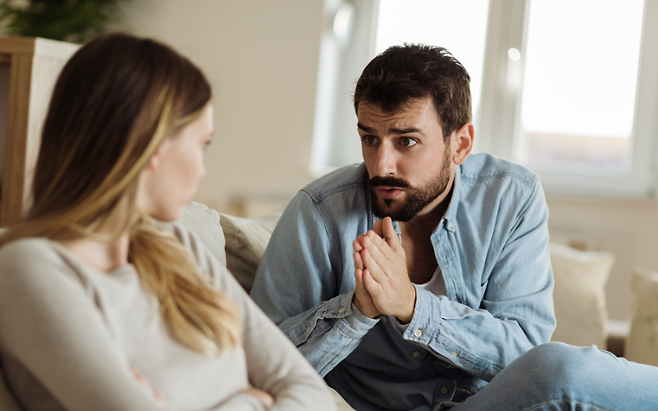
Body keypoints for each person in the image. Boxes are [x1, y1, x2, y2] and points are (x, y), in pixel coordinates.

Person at [250, 44, 658, 410]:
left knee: (562, 369)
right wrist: (356, 312)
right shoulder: (318, 213)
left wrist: (413, 306)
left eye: (406, 141)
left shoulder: (511, 197)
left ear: (460, 144)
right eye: (370, 138)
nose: (381, 164)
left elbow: (524, 354)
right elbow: (259, 364)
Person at [0, 33, 336, 411]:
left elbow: (308, 389)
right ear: (151, 145)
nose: (202, 169)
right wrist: (252, 400)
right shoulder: (30, 268)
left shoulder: (179, 243)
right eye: (202, 143)